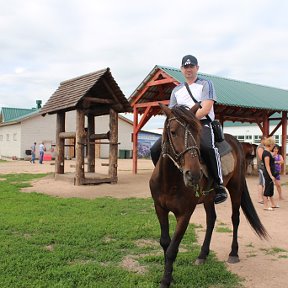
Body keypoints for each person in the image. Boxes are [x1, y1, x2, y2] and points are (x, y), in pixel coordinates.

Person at [150, 54, 227, 204]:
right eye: (186, 67)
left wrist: (188, 120)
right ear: (181, 69)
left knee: (207, 148)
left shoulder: (206, 84)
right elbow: (172, 112)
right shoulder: (176, 90)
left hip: (201, 124)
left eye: (191, 66)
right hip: (180, 127)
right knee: (155, 149)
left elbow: (205, 108)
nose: (188, 69)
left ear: (197, 68)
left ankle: (219, 185)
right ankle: (164, 180)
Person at [262, 137, 278, 210]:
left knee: (271, 188)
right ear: (270, 145)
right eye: (273, 145)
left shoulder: (268, 153)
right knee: (267, 189)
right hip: (268, 174)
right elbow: (267, 165)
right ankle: (265, 206)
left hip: (270, 173)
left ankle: (273, 204)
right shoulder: (266, 154)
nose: (273, 146)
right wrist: (271, 175)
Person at [256, 136, 266, 204]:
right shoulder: (260, 147)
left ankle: (262, 197)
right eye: (265, 140)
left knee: (262, 183)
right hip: (261, 167)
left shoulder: (262, 147)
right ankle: (260, 198)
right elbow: (261, 157)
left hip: (263, 167)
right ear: (262, 140)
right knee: (261, 183)